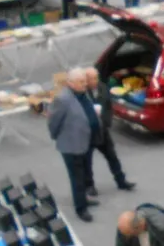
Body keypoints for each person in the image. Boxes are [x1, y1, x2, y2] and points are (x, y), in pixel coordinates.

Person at [48, 68, 99, 223]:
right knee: (76, 178)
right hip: (71, 145)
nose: (85, 84)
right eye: (81, 82)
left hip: (85, 142)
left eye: (85, 81)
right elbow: (53, 122)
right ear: (70, 83)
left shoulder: (82, 94)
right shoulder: (63, 99)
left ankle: (83, 198)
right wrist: (56, 136)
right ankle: (81, 208)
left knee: (84, 174)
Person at [84, 68, 135, 194]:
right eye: (92, 79)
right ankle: (89, 186)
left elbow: (108, 106)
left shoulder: (102, 87)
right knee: (87, 161)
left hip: (103, 130)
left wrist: (106, 122)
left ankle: (121, 181)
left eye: (96, 77)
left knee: (112, 156)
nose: (95, 81)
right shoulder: (83, 93)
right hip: (88, 132)